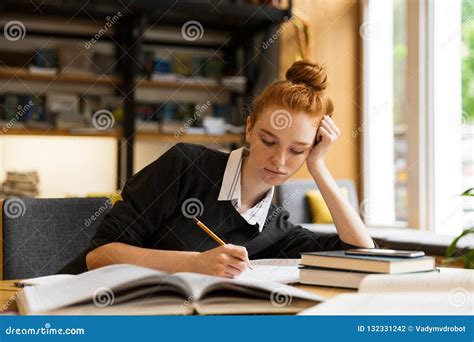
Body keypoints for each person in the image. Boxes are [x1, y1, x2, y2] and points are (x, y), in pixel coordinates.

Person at [83, 60, 376, 278]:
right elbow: (99, 255)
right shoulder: (186, 166)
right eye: (269, 141)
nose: (279, 160)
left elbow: (364, 254)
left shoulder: (275, 228)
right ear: (249, 129)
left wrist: (319, 166)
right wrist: (196, 263)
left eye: (297, 150)